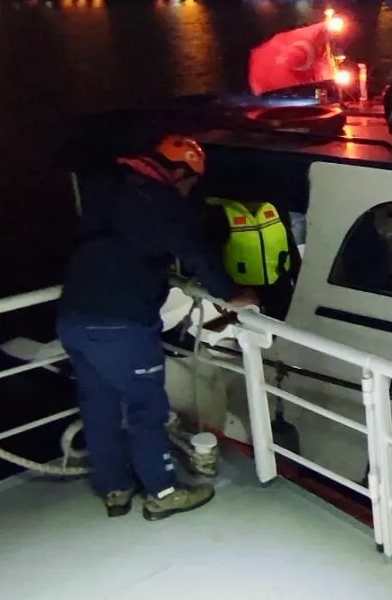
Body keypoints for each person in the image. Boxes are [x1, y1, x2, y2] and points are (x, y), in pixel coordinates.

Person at [57, 135, 257, 520]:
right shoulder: (158, 200)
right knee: (145, 409)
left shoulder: (110, 187)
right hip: (122, 323)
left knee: (98, 407)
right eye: (191, 182)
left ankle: (115, 488)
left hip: (74, 317)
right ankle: (163, 491)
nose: (189, 191)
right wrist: (232, 294)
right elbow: (196, 253)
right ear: (179, 172)